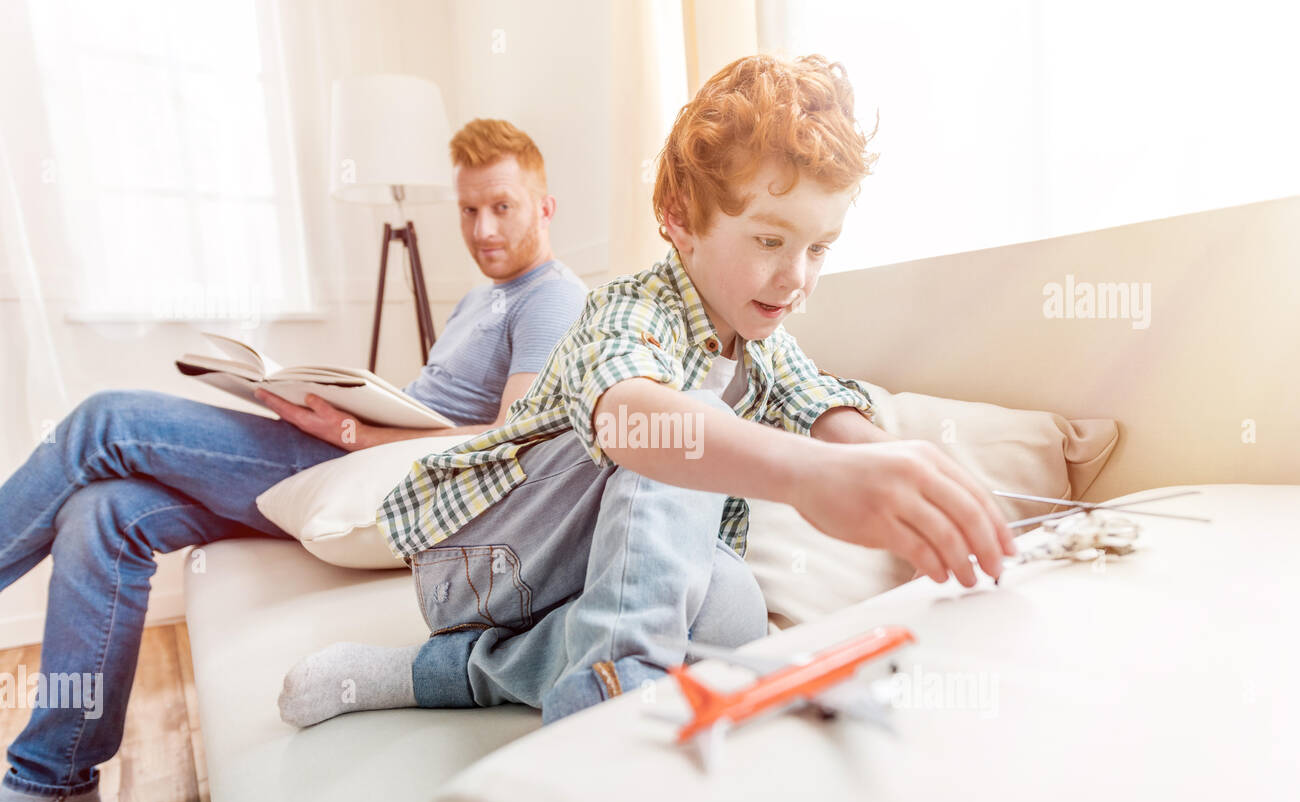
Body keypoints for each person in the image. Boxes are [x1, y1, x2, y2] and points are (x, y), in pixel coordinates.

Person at [275, 54, 1017, 732]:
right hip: (480, 559)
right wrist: (810, 475)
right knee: (684, 416)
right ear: (678, 219)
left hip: (578, 581)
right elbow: (636, 420)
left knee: (734, 611)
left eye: (819, 247)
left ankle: (454, 671)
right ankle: (616, 683)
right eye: (769, 240)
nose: (797, 277)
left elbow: (824, 411)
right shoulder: (632, 309)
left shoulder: (766, 344)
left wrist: (909, 476)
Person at [0, 118, 586, 802]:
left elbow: (502, 444)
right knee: (102, 512)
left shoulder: (552, 299)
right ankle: (54, 791)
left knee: (101, 421)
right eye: (469, 210)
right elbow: (440, 409)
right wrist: (341, 406)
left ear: (545, 206)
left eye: (503, 206)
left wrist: (348, 435)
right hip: (349, 458)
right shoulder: (483, 298)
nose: (482, 228)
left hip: (375, 479)